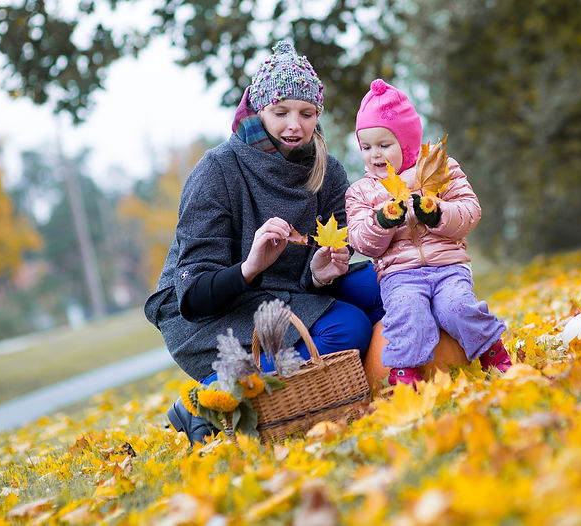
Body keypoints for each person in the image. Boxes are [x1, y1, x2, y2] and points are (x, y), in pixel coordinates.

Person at [144, 41, 384, 444]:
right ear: (257, 111)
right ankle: (212, 397)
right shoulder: (217, 171)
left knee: (386, 283)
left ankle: (379, 380)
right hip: (214, 309)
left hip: (291, 290)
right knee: (348, 328)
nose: (295, 126)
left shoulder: (326, 169)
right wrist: (250, 266)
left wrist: (320, 274)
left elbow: (331, 249)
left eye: (307, 114)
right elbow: (194, 295)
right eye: (281, 112)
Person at [345, 79, 512, 387]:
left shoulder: (440, 169)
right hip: (400, 275)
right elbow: (359, 240)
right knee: (407, 312)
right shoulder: (362, 192)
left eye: (384, 145)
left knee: (457, 307)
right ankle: (404, 373)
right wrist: (381, 222)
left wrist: (437, 214)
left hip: (449, 268)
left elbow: (469, 211)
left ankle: (492, 351)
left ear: (406, 142)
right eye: (366, 147)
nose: (374, 155)